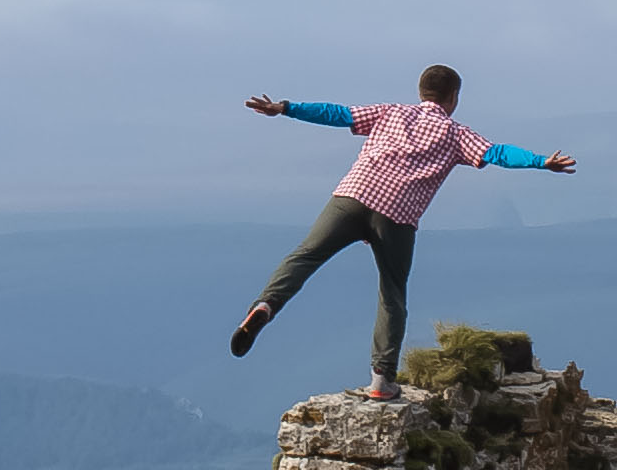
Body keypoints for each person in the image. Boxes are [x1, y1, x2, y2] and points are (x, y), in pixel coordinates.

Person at [230, 69, 574, 395]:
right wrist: (541, 160)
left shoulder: (390, 112)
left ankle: (266, 304)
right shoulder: (456, 134)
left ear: (421, 91)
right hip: (396, 216)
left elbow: (337, 114)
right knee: (392, 294)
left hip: (352, 196)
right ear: (453, 97)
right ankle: (381, 379)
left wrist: (286, 108)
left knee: (304, 256)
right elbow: (497, 153)